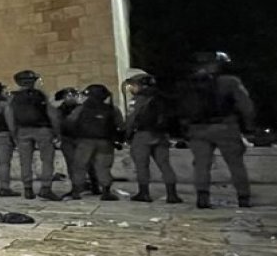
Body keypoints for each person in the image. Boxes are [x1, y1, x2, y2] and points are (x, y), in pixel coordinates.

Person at [178, 51, 254, 209]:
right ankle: (243, 198)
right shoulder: (230, 81)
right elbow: (246, 106)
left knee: (201, 165)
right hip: (225, 127)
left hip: (197, 129)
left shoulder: (191, 84)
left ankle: (202, 198)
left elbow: (181, 108)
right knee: (235, 164)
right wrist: (248, 127)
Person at [125, 73, 182, 204]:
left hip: (142, 135)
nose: (131, 88)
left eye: (133, 85)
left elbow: (131, 119)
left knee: (142, 166)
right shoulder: (162, 97)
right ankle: (172, 194)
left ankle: (144, 193)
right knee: (165, 165)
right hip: (161, 135)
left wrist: (127, 135)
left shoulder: (138, 99)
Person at [6, 70, 60, 200]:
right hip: (43, 130)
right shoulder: (40, 95)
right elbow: (52, 114)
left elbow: (9, 117)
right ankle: (46, 188)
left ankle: (28, 189)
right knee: (47, 160)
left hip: (23, 131)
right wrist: (57, 132)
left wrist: (13, 134)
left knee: (25, 161)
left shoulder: (13, 97)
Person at [63, 84, 123, 201]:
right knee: (103, 166)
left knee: (80, 166)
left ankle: (76, 191)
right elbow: (120, 125)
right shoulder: (112, 109)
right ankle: (106, 191)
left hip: (85, 142)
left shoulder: (81, 109)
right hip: (105, 143)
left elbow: (69, 123)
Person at [54, 88, 99, 195]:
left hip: (83, 139)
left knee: (89, 163)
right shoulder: (60, 110)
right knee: (72, 164)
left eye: (72, 95)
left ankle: (94, 185)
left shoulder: (83, 109)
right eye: (67, 95)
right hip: (68, 139)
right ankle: (76, 187)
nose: (70, 97)